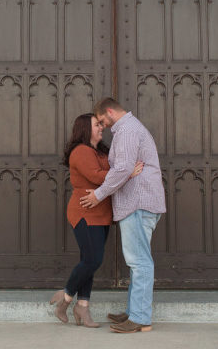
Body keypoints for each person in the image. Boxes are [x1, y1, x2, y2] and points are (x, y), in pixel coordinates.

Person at [79, 98, 166, 334]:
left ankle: (140, 318)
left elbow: (123, 169)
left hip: (137, 203)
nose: (102, 125)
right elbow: (126, 168)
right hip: (138, 203)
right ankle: (134, 311)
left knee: (139, 262)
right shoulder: (130, 128)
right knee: (137, 261)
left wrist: (98, 195)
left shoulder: (127, 130)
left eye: (101, 120)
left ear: (109, 112)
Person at [49, 113, 144, 327]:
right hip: (84, 211)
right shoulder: (80, 151)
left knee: (89, 262)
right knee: (93, 260)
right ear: (85, 128)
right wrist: (127, 173)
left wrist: (120, 171)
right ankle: (65, 297)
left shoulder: (100, 150)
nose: (102, 127)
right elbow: (98, 177)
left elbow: (110, 174)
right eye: (97, 125)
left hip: (101, 211)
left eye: (101, 124)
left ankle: (83, 307)